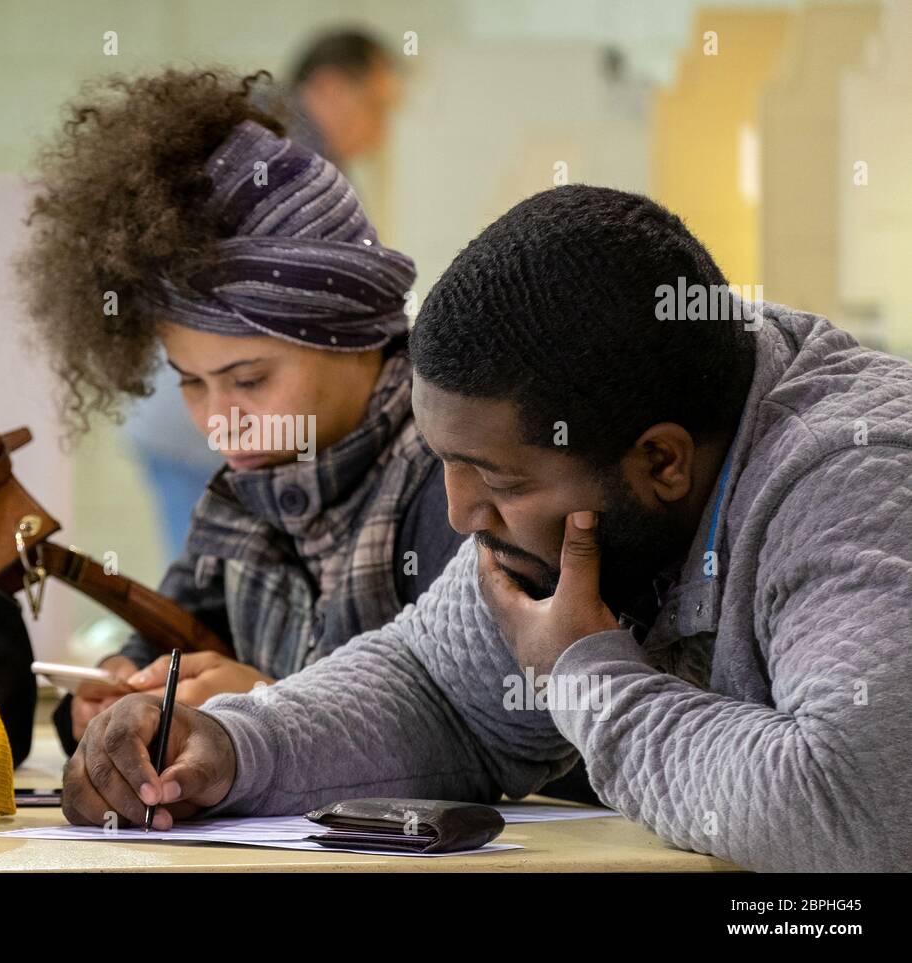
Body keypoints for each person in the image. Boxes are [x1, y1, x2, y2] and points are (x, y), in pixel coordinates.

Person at [60, 185, 912, 873]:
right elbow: (433, 688)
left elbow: (856, 811)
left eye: (499, 480)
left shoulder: (854, 477)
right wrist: (235, 745)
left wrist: (589, 679)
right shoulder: (584, 478)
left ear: (662, 462)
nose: (464, 515)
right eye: (446, 464)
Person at [16, 69, 468, 762]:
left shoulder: (454, 488)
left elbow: (484, 739)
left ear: (348, 333)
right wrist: (113, 699)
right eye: (190, 383)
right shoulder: (244, 497)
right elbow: (172, 635)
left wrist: (267, 712)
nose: (220, 422)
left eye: (249, 378)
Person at [124, 28, 404, 559]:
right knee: (209, 583)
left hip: (186, 424)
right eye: (378, 108)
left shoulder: (274, 150)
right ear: (331, 88)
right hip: (190, 438)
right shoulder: (282, 159)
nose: (381, 133)